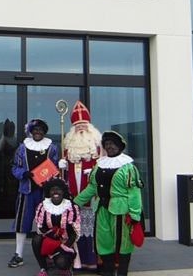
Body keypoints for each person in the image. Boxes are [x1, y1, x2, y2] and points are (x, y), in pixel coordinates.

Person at [73, 131, 143, 276]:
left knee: (123, 244)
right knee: (104, 242)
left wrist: (135, 214)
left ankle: (122, 273)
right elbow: (92, 188)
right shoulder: (99, 165)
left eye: (113, 144)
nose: (110, 146)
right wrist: (75, 202)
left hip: (121, 211)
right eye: (107, 144)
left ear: (119, 146)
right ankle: (108, 271)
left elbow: (134, 192)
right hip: (101, 209)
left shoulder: (128, 167)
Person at [8, 118, 60, 268]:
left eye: (40, 130)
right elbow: (15, 167)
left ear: (44, 132)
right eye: (35, 130)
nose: (38, 132)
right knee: (22, 222)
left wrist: (58, 169)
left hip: (46, 192)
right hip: (27, 191)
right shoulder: (22, 148)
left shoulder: (52, 148)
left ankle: (45, 254)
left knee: (45, 223)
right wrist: (24, 174)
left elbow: (55, 167)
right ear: (31, 132)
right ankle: (18, 254)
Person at [58, 100, 102, 270]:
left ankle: (91, 260)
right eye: (78, 126)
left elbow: (104, 166)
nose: (81, 129)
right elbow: (61, 175)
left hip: (91, 194)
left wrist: (94, 170)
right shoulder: (68, 146)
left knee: (90, 228)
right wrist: (61, 166)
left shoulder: (97, 146)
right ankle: (75, 260)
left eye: (84, 125)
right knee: (75, 227)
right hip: (73, 192)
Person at [31, 178, 81, 276]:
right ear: (49, 192)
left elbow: (74, 234)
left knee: (61, 262)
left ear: (63, 192)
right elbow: (41, 227)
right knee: (36, 239)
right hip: (50, 241)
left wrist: (63, 247)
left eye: (58, 189)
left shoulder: (71, 207)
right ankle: (43, 269)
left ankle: (64, 266)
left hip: (66, 243)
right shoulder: (43, 206)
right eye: (52, 189)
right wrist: (52, 234)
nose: (55, 192)